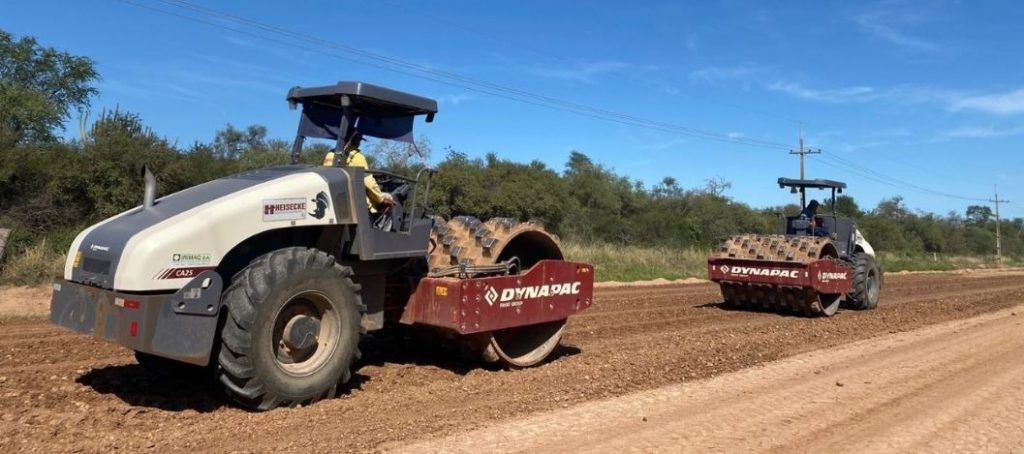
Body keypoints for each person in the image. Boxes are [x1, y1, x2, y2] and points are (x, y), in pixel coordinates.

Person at [322, 131, 396, 213]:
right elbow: (368, 182)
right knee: (388, 199)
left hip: (332, 198)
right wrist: (381, 199)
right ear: (354, 140)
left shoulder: (330, 154)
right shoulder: (357, 156)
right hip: (355, 203)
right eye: (359, 140)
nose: (359, 143)